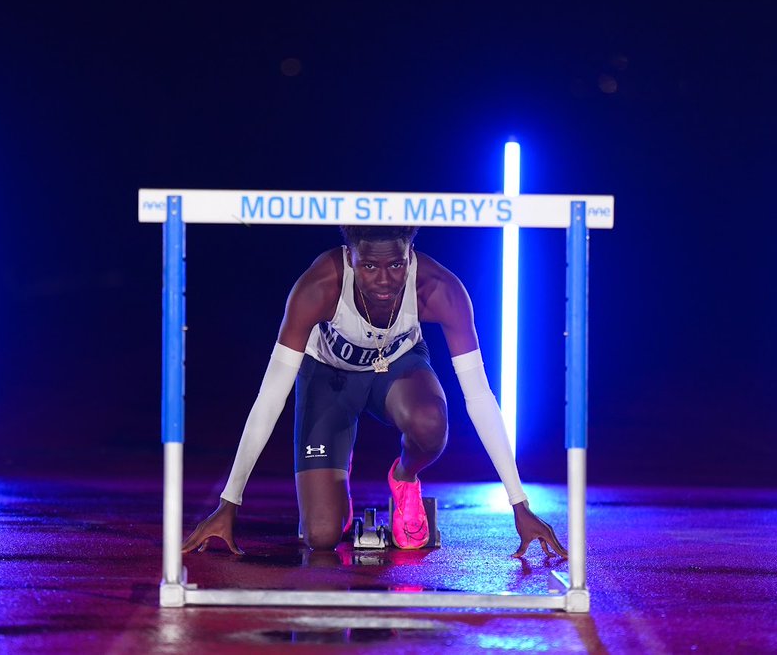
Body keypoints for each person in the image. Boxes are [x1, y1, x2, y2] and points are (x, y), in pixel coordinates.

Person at [181, 225, 569, 559]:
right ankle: (333, 481)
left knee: (431, 422)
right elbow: (270, 397)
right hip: (328, 379)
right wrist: (228, 502)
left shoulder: (439, 289)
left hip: (395, 371)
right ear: (350, 258)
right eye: (369, 266)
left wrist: (520, 504)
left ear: (410, 254)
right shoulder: (319, 287)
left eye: (396, 265)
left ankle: (404, 479)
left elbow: (480, 397)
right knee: (321, 536)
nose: (384, 281)